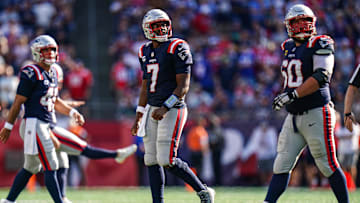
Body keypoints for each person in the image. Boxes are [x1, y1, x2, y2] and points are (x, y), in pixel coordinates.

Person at [265, 4, 349, 203]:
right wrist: (286, 95)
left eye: (305, 21)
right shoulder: (288, 46)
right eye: (297, 22)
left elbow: (322, 76)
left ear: (312, 23)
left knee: (327, 164)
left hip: (316, 112)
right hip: (293, 115)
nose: (301, 26)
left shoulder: (320, 43)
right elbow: (292, 78)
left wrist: (291, 95)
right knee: (281, 163)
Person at [131, 9, 215, 203]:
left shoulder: (177, 46)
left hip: (173, 107)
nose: (161, 29)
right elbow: (145, 87)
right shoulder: (144, 51)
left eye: (164, 25)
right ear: (147, 29)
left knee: (167, 159)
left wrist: (166, 107)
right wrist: (139, 115)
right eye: (156, 26)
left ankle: (203, 191)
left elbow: (183, 86)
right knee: (150, 159)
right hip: (152, 108)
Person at [0, 35, 75, 203]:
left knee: (31, 167)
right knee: (51, 164)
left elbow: (55, 100)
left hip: (47, 123)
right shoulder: (30, 72)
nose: (50, 53)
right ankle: (60, 200)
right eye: (45, 50)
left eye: (52, 50)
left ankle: (9, 200)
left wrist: (71, 112)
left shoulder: (54, 71)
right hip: (33, 124)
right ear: (36, 53)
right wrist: (8, 126)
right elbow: (18, 102)